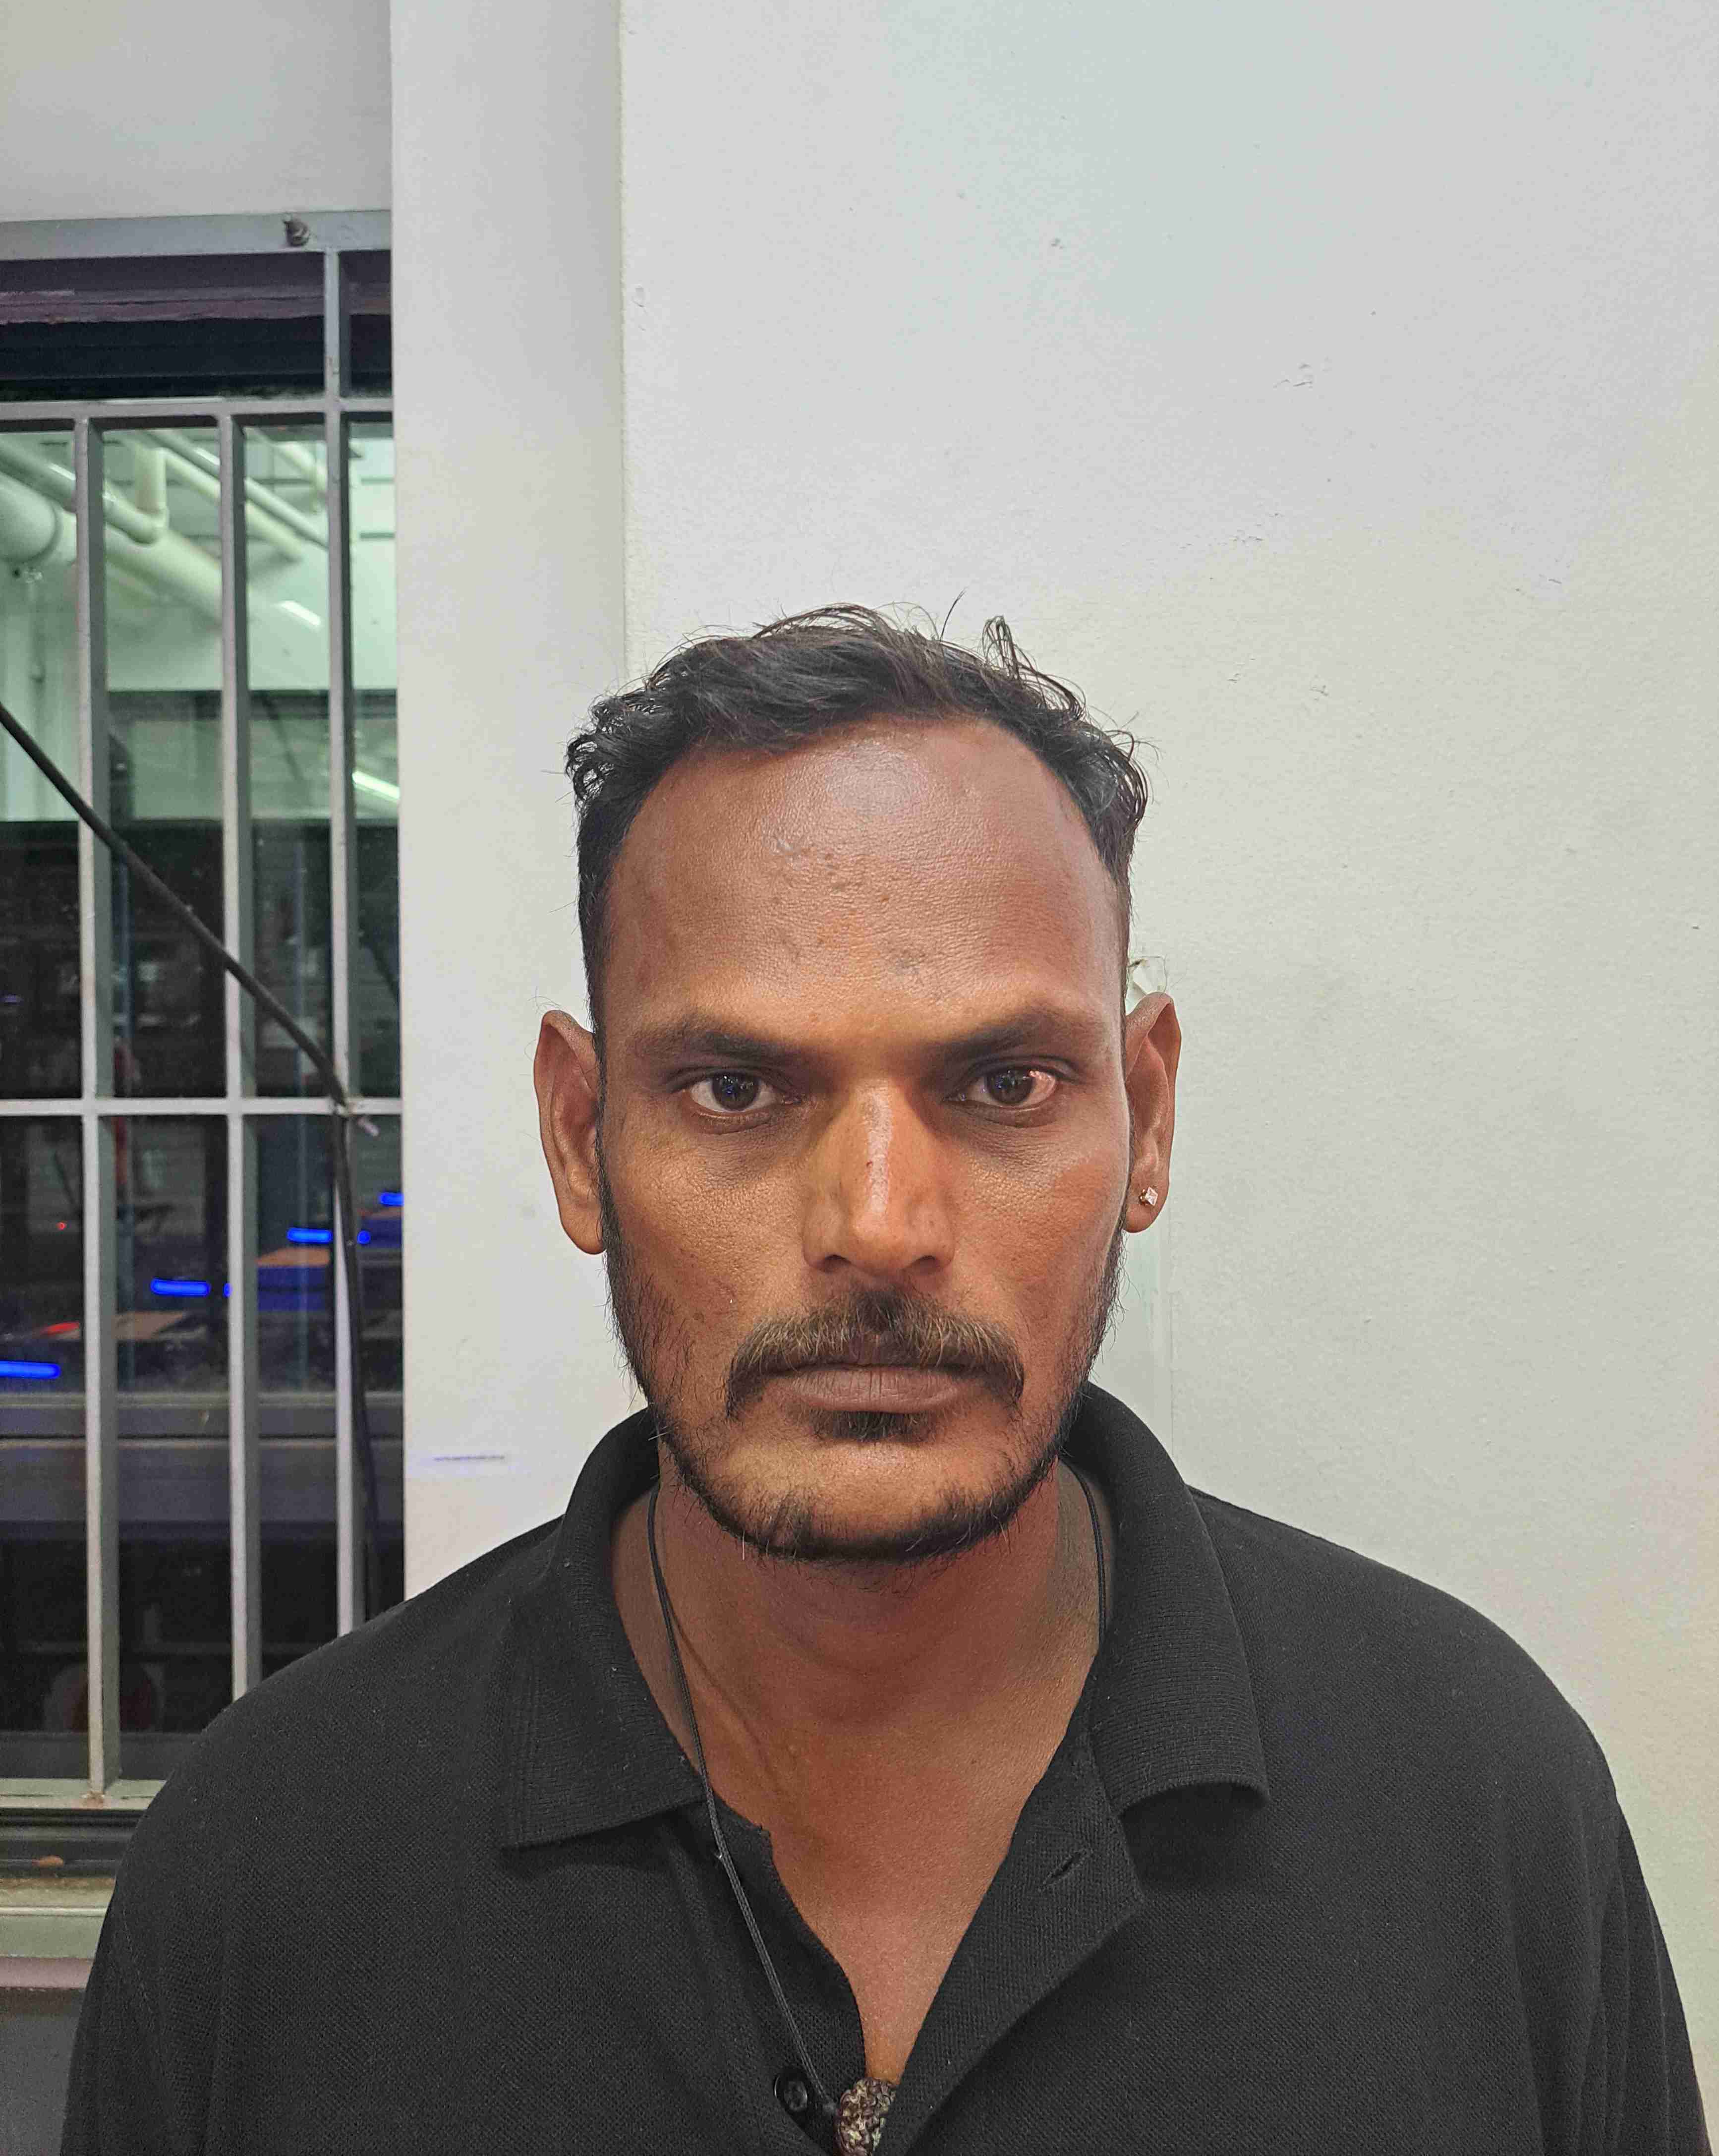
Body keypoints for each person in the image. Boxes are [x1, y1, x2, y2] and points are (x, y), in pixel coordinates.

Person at [61, 608, 1707, 2154]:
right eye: (734, 1088)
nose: (877, 1227)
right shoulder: (274, 1860)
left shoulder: (1471, 1797)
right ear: (577, 1137)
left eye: (1003, 1083)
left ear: (1144, 1118)